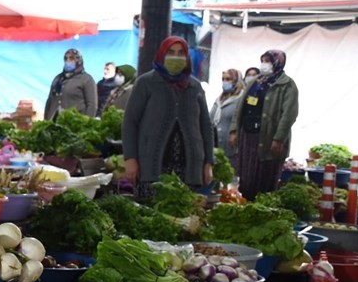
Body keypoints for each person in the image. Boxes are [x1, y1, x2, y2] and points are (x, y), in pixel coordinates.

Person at [123, 37, 214, 200]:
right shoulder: (146, 83)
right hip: (152, 165)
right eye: (171, 52)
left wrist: (208, 162)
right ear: (162, 54)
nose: (176, 57)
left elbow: (205, 125)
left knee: (184, 216)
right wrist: (130, 158)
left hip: (188, 167)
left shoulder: (194, 86)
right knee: (151, 215)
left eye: (181, 53)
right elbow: (130, 122)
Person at [230, 50, 298, 200]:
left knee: (263, 181)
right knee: (246, 179)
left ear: (277, 62)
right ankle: (246, 205)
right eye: (263, 60)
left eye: (268, 61)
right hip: (248, 137)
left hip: (268, 140)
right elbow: (240, 107)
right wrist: (234, 130)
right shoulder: (256, 81)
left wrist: (279, 138)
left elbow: (289, 114)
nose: (264, 64)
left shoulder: (287, 85)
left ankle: (260, 210)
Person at [44, 48, 97, 120]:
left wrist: (87, 123)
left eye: (71, 58)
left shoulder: (86, 79)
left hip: (76, 122)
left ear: (78, 60)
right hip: (55, 121)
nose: (68, 61)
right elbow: (50, 100)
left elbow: (92, 105)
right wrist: (46, 120)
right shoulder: (58, 79)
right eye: (66, 59)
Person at [210, 68, 244, 165]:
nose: (225, 82)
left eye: (228, 79)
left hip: (231, 147)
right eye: (223, 79)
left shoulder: (241, 99)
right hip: (215, 145)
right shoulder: (219, 99)